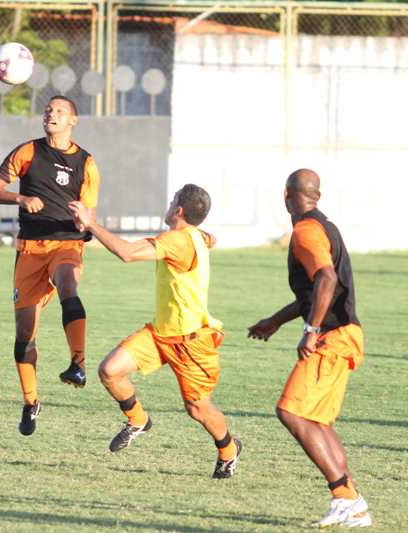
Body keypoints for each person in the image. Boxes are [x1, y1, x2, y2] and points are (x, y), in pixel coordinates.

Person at [70, 184, 242, 479]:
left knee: (198, 409)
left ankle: (229, 450)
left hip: (191, 343)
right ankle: (138, 420)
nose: (170, 203)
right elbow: (210, 238)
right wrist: (208, 237)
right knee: (110, 370)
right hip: (160, 333)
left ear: (179, 211)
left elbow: (127, 253)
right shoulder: (198, 236)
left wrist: (91, 223)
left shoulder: (177, 240)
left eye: (173, 199)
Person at [248, 169, 371, 527]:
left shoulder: (305, 231)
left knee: (293, 413)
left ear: (286, 193)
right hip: (346, 335)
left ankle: (347, 499)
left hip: (333, 337)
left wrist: (311, 329)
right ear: (316, 195)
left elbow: (328, 279)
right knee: (314, 419)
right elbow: (319, 288)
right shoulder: (325, 226)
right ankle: (352, 503)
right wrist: (276, 320)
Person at [0, 95, 100, 436]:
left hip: (66, 243)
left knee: (67, 284)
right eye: (49, 110)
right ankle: (31, 402)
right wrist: (20, 197)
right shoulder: (28, 152)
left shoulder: (86, 163)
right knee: (24, 334)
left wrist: (83, 224)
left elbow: (89, 214)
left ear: (72, 121)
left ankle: (78, 364)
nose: (52, 114)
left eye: (60, 111)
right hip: (30, 248)